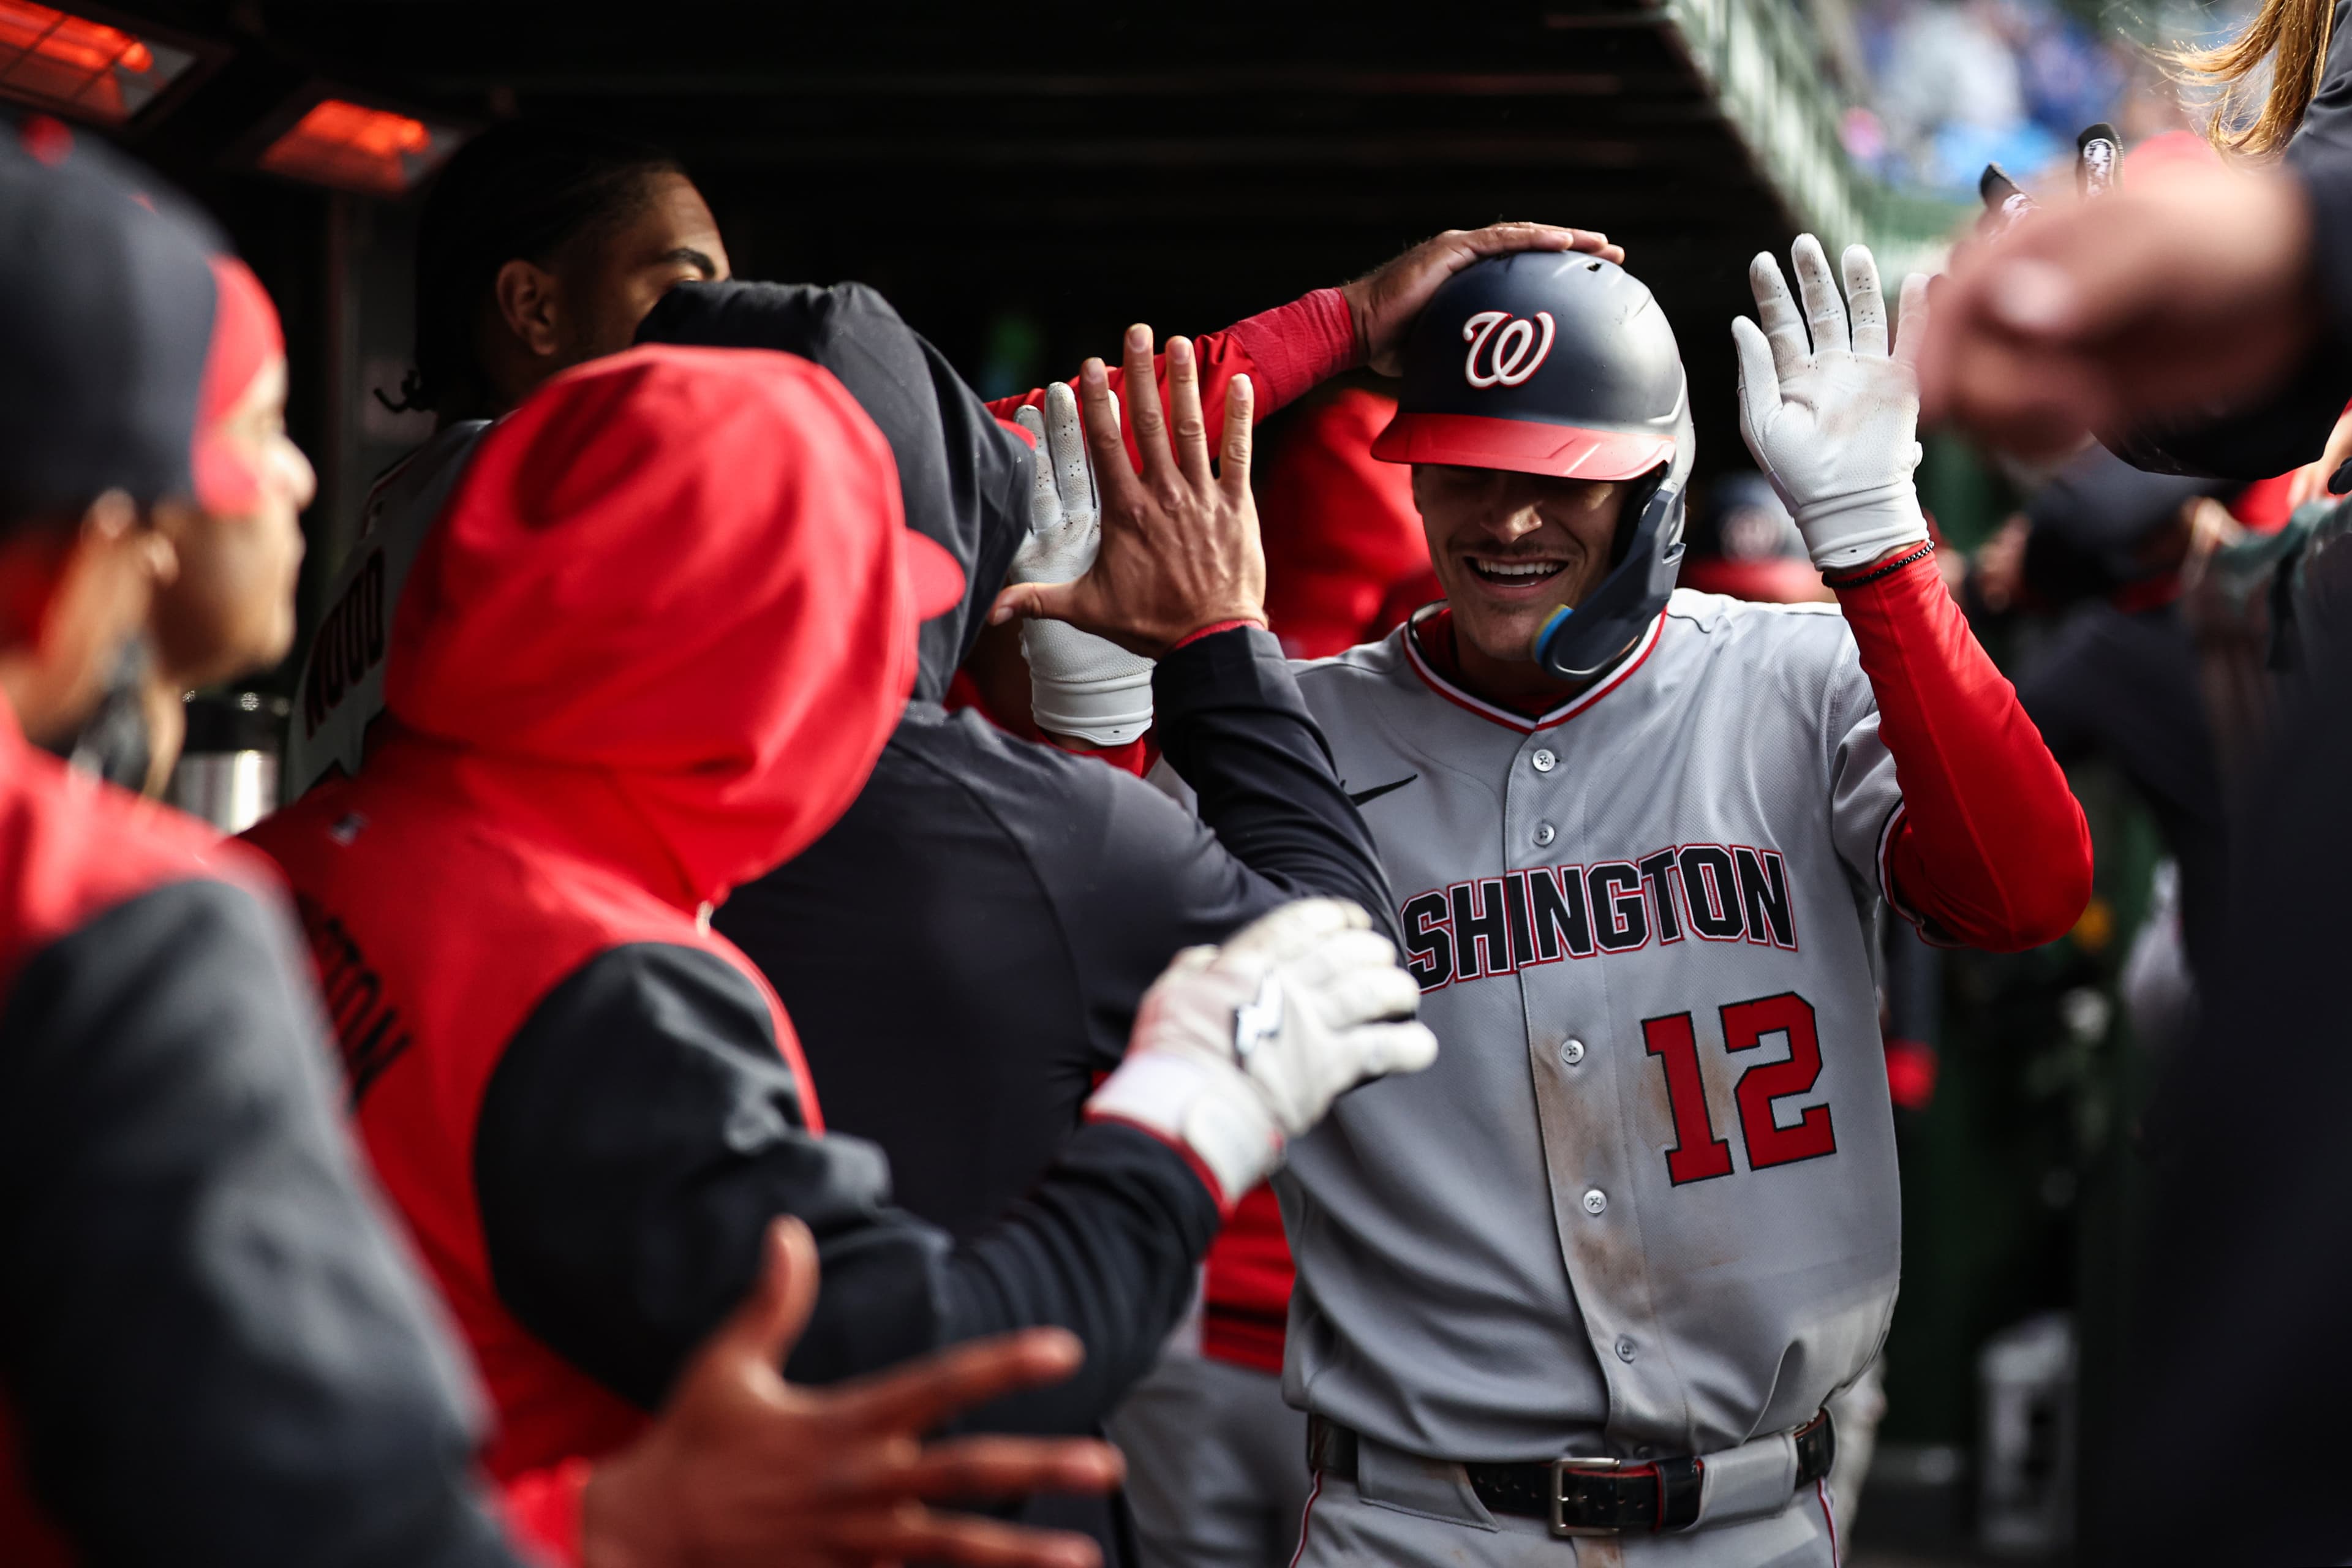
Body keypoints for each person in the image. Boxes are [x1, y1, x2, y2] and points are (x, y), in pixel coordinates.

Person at [0, 117, 1129, 1568]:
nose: (297, 477)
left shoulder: (280, 818)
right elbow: (310, 1513)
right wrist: (622, 1524)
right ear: (85, 563)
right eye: (247, 434)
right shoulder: (135, 912)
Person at [1006, 239, 2094, 1563]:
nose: (1507, 517)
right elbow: (1062, 1011)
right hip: (1414, 1517)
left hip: (1751, 1515)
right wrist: (1093, 725)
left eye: (1559, 477)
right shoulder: (1297, 729)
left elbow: (2027, 891)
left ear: (1655, 485)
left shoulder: (1800, 674)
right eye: (1465, 466)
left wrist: (1884, 553)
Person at [244, 332, 1436, 1493]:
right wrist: (1189, 1106)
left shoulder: (288, 854)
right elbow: (928, 1379)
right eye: (862, 622)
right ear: (762, 647)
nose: (883, 678)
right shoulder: (596, 986)